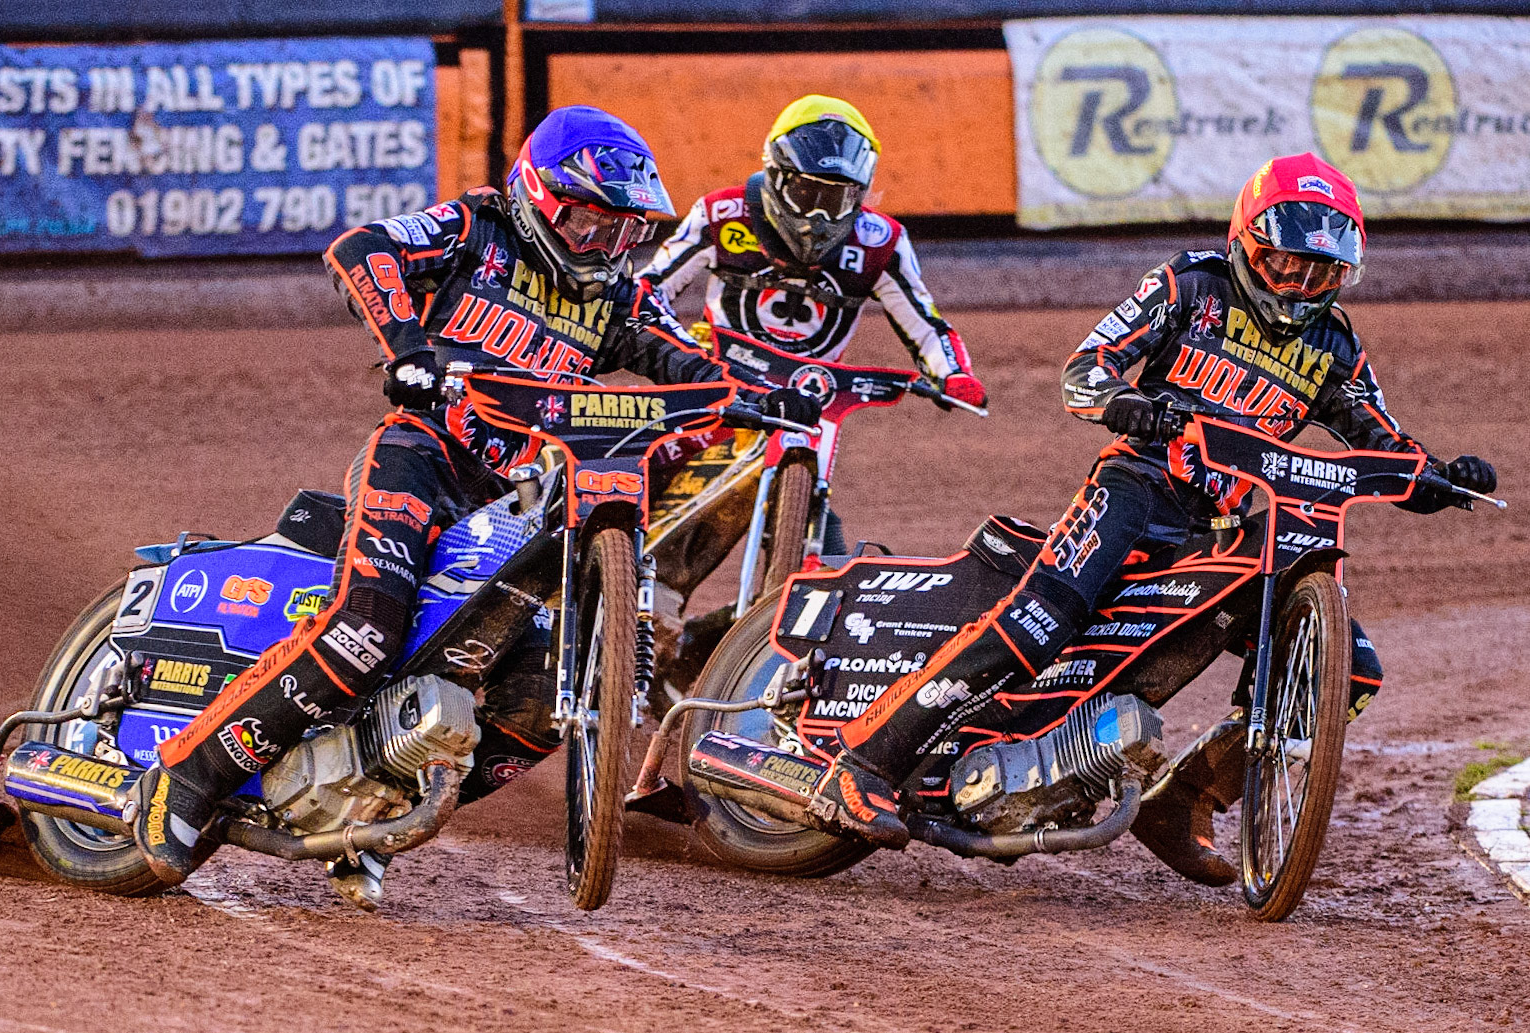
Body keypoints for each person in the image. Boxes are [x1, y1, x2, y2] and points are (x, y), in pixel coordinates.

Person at [132, 105, 817, 906]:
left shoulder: (618, 298)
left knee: (535, 692)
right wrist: (407, 350)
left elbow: (683, 361)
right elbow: (363, 250)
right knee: (365, 628)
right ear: (538, 194)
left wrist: (760, 399)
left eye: (622, 232)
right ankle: (189, 772)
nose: (604, 246)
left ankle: (379, 806)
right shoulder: (477, 226)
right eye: (589, 222)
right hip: (422, 458)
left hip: (513, 500)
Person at [750, 152, 1498, 883]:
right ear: (1245, 245)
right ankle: (862, 763)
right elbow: (1086, 368)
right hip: (1134, 487)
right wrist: (1126, 401)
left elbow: (1382, 440)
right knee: (1040, 617)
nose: (1299, 286)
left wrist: (1435, 477)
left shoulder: (1333, 345)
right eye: (1283, 266)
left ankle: (1184, 799)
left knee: (1351, 672)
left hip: (1220, 530)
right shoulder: (1188, 284)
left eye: (1320, 273)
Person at [636, 94, 986, 695]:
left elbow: (926, 321)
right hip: (719, 391)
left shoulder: (880, 242)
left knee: (827, 556)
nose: (821, 215)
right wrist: (666, 348)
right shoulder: (723, 214)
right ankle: (615, 601)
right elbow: (646, 287)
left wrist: (953, 373)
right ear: (775, 176)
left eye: (840, 198)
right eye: (808, 194)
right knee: (640, 481)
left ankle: (715, 649)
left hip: (809, 407)